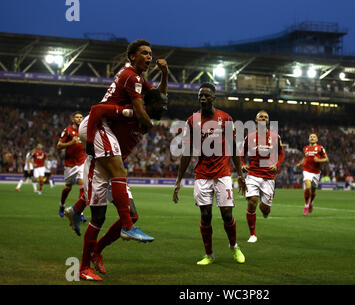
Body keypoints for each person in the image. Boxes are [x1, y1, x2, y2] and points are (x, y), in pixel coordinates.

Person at [66, 39, 168, 281]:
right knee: (118, 175)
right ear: (132, 56)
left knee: (107, 215)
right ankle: (126, 229)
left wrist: (165, 74)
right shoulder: (132, 86)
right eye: (144, 53)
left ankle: (94, 248)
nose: (149, 56)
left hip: (104, 149)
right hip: (96, 127)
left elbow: (158, 96)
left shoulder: (141, 90)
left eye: (151, 53)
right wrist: (90, 139)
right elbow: (98, 110)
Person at [173, 82, 247, 266]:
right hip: (202, 175)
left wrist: (240, 174)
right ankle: (209, 254)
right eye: (200, 95)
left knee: (227, 214)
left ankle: (234, 246)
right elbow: (187, 152)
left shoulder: (226, 118)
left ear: (214, 98)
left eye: (206, 95)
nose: (202, 98)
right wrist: (178, 180)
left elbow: (234, 149)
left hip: (222, 174)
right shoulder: (192, 121)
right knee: (205, 215)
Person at [241, 110, 285, 243]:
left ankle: (265, 207)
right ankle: (252, 234)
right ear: (256, 120)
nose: (263, 118)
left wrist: (277, 164)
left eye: (265, 117)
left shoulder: (275, 137)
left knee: (265, 210)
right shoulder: (250, 137)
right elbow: (242, 153)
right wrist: (243, 164)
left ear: (267, 121)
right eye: (260, 116)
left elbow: (281, 154)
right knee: (252, 201)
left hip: (268, 177)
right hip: (253, 174)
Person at [56, 111, 87, 217]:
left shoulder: (85, 131)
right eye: (77, 117)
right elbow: (59, 146)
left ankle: (79, 212)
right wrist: (71, 143)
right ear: (73, 119)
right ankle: (62, 204)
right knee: (68, 187)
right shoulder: (68, 130)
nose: (79, 119)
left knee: (82, 185)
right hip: (69, 164)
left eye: (81, 117)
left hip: (82, 162)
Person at [296, 133, 329, 216]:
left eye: (314, 137)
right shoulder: (305, 148)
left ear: (317, 139)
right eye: (310, 137)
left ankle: (311, 203)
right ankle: (306, 206)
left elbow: (326, 159)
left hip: (316, 172)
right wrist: (300, 164)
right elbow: (305, 158)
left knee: (313, 191)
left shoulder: (320, 148)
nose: (312, 138)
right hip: (306, 170)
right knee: (308, 186)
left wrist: (318, 160)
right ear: (308, 139)